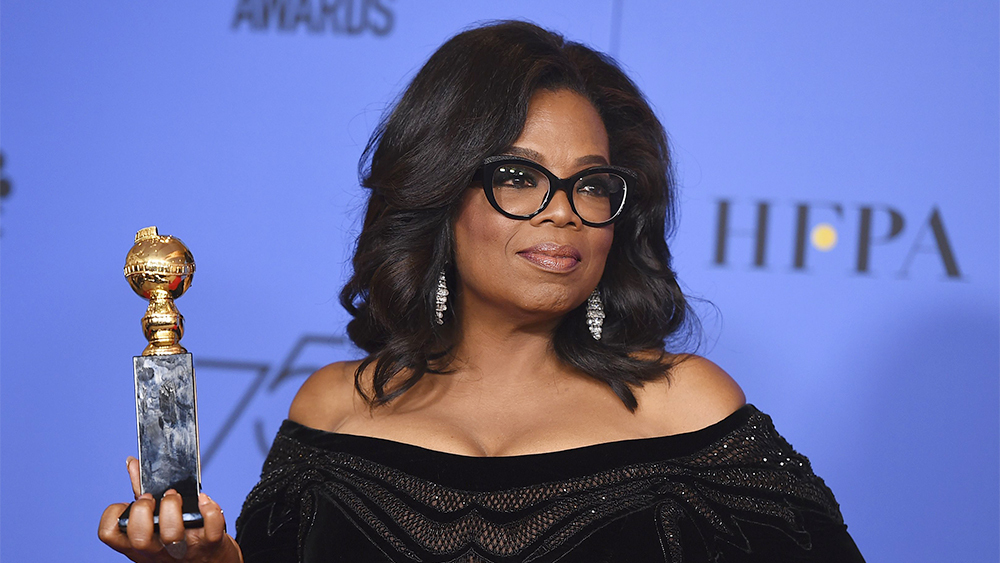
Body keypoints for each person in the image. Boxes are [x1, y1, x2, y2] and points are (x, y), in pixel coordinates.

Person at [99, 20, 865, 563]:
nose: (563, 209)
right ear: (440, 194)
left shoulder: (688, 409)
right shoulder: (333, 409)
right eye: (517, 176)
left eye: (591, 185)